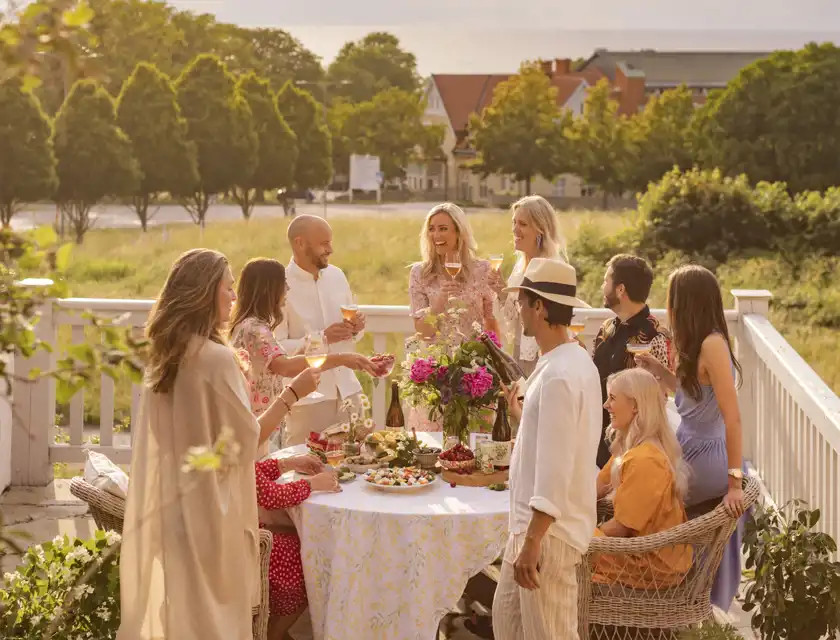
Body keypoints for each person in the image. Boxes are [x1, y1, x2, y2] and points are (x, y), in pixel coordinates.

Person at [117, 249, 321, 640]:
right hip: (212, 510)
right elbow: (247, 443)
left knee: (182, 617)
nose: (234, 296)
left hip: (174, 506)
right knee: (216, 621)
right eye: (227, 287)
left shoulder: (166, 354)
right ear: (204, 292)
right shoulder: (216, 360)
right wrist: (292, 394)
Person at [494, 258, 602, 640]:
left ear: (538, 306)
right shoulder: (568, 361)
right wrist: (523, 417)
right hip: (530, 529)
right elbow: (558, 440)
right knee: (507, 626)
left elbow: (556, 468)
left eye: (521, 301)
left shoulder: (559, 374)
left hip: (547, 535)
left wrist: (534, 540)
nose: (518, 309)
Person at [635, 264, 746, 612]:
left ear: (686, 302)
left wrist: (735, 484)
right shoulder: (696, 343)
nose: (668, 307)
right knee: (639, 479)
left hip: (708, 456)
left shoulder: (713, 345)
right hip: (689, 446)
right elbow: (690, 397)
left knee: (647, 500)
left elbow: (733, 419)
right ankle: (658, 584)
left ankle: (654, 587)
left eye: (671, 299)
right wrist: (659, 370)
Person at [230, 257, 382, 453]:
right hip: (259, 423)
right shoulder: (255, 330)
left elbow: (284, 361)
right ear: (269, 290)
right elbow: (285, 366)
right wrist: (343, 359)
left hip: (259, 420)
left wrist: (315, 345)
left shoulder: (249, 326)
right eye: (283, 285)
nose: (287, 289)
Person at [593, 368, 691, 588]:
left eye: (612, 398)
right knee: (559, 531)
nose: (606, 405)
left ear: (635, 406)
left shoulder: (646, 459)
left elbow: (621, 528)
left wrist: (582, 535)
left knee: (562, 541)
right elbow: (598, 487)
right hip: (635, 551)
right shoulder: (630, 446)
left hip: (652, 565)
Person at [407, 203, 500, 431]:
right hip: (436, 372)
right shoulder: (420, 273)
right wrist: (437, 306)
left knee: (475, 439)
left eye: (443, 229)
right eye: (431, 229)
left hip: (474, 372)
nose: (436, 235)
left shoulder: (482, 269)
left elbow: (491, 321)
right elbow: (422, 332)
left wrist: (493, 366)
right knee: (433, 441)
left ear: (459, 232)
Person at [276, 215, 368, 446]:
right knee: (306, 463)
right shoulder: (280, 285)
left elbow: (352, 333)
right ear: (300, 243)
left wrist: (356, 328)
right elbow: (277, 349)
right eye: (324, 243)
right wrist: (321, 337)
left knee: (361, 460)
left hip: (348, 390)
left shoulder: (337, 276)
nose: (330, 249)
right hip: (308, 399)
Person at [592, 254, 671, 468]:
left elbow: (657, 400)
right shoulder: (606, 328)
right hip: (595, 441)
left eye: (606, 281)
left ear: (620, 289)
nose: (602, 287)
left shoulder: (656, 336)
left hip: (631, 451)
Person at [254, 455, 339, 640]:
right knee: (311, 561)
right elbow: (271, 496)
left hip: (239, 535)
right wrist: (311, 485)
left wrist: (287, 464)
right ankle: (272, 634)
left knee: (308, 545)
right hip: (239, 547)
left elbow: (252, 472)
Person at [494, 195, 567, 376]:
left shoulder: (552, 267)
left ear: (541, 229)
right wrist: (501, 292)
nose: (514, 230)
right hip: (520, 352)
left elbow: (552, 320)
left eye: (523, 224)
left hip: (543, 354)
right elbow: (515, 319)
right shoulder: (520, 266)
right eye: (514, 222)